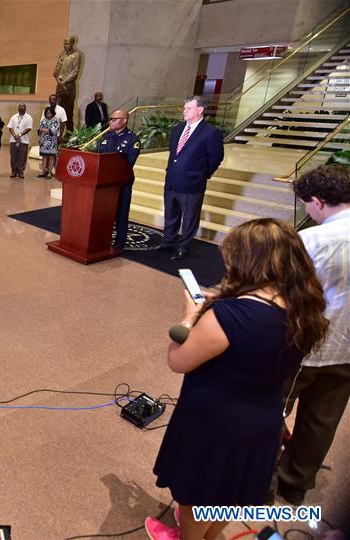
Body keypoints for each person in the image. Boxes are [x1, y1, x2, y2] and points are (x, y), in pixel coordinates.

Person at [147, 218, 328, 540]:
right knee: (230, 491)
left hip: (214, 423)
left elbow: (178, 360)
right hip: (263, 420)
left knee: (198, 492)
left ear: (248, 260)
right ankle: (209, 535)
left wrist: (189, 319)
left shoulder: (230, 317)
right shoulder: (306, 311)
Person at [276, 165, 350, 505]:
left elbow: (282, 290)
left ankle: (261, 480)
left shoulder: (312, 239)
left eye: (306, 203)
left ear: (318, 201)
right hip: (347, 351)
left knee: (271, 409)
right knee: (322, 420)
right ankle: (294, 485)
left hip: (307, 346)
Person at [161, 96, 224, 261]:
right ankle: (168, 241)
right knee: (170, 213)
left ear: (200, 110)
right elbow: (174, 155)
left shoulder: (211, 132)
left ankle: (183, 247)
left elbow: (216, 157)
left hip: (192, 183)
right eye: (184, 108)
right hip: (172, 180)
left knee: (189, 217)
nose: (184, 111)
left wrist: (202, 174)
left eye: (188, 108)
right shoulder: (177, 129)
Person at [97, 109, 141, 249]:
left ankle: (119, 243)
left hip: (122, 183)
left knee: (121, 213)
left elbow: (128, 163)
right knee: (105, 212)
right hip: (104, 183)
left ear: (124, 121)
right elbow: (99, 157)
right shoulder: (106, 137)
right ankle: (102, 238)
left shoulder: (132, 139)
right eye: (111, 119)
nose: (112, 121)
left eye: (115, 119)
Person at [53, 35, 83, 131]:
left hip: (69, 87)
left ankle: (69, 133)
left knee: (68, 111)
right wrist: (59, 64)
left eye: (67, 43)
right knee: (57, 110)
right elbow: (55, 73)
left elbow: (75, 72)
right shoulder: (62, 55)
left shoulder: (77, 55)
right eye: (64, 43)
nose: (65, 45)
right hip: (60, 86)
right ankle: (56, 133)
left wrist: (64, 82)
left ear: (72, 44)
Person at [7, 103, 33, 179]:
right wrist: (15, 135)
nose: (21, 107)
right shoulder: (14, 117)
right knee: (13, 156)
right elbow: (10, 127)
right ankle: (13, 171)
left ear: (25, 108)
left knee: (22, 156)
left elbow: (28, 128)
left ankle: (21, 172)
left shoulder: (29, 117)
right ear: (18, 108)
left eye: (23, 106)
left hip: (24, 140)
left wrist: (20, 135)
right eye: (20, 106)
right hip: (13, 140)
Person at [36, 106, 62, 179]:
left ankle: (49, 173)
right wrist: (40, 137)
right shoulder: (43, 120)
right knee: (44, 156)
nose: (48, 115)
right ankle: (44, 171)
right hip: (43, 141)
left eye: (49, 113)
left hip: (52, 141)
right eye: (47, 113)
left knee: (51, 157)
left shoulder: (57, 120)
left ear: (52, 113)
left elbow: (54, 131)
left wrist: (45, 130)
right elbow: (39, 129)